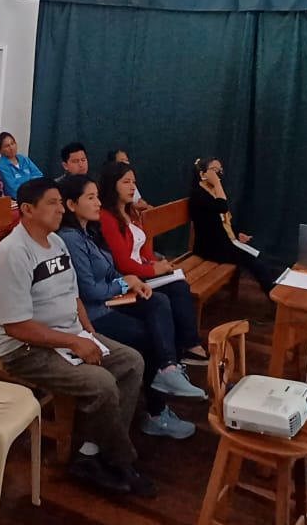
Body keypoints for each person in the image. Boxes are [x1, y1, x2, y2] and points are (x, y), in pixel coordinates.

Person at [0, 178, 155, 497]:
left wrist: (87, 330)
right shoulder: (11, 253)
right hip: (26, 350)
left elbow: (72, 291)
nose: (60, 209)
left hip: (68, 334)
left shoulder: (57, 242)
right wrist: (74, 342)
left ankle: (91, 452)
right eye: (52, 203)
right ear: (27, 210)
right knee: (101, 383)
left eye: (60, 202)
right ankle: (120, 460)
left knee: (131, 362)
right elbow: (16, 327)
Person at [57, 174, 204, 441]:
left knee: (158, 301)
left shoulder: (88, 232)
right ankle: (156, 413)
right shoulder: (70, 239)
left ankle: (169, 369)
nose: (98, 203)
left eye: (97, 196)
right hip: (92, 314)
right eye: (90, 198)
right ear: (71, 205)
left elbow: (109, 269)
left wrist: (133, 282)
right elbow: (88, 291)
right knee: (150, 337)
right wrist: (125, 283)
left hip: (109, 301)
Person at [189, 157, 276, 294]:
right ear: (203, 174)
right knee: (255, 262)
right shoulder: (198, 195)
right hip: (211, 248)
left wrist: (236, 234)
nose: (219, 174)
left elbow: (223, 220)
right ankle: (274, 296)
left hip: (224, 241)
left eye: (220, 170)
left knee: (261, 252)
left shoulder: (212, 191)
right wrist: (217, 183)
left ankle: (275, 292)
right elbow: (222, 208)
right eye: (214, 170)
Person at [96, 161, 185, 287]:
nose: (132, 187)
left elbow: (143, 249)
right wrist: (153, 270)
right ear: (112, 185)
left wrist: (156, 264)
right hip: (129, 280)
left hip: (143, 272)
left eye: (134, 182)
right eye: (126, 182)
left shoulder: (131, 212)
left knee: (179, 284)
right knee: (176, 289)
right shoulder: (106, 218)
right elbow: (123, 264)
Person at [0, 132, 43, 200]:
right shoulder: (1, 167)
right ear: (0, 150)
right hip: (19, 200)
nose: (11, 148)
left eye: (12, 143)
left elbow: (39, 176)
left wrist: (23, 182)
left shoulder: (24, 159)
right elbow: (13, 190)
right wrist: (30, 180)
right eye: (7, 146)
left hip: (36, 195)